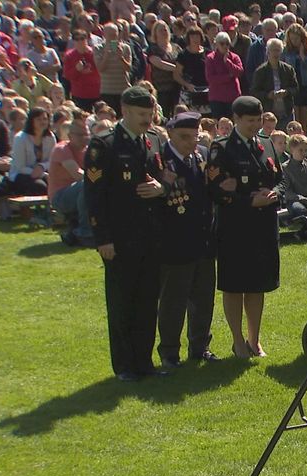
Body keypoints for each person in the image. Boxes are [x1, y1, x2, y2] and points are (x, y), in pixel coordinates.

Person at [84, 86, 167, 381]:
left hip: (149, 236)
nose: (148, 119)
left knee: (147, 302)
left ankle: (145, 362)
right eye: (142, 114)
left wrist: (161, 188)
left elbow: (160, 178)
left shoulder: (152, 141)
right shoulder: (103, 145)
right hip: (119, 238)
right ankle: (124, 366)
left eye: (150, 114)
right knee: (122, 303)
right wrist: (102, 238)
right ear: (126, 111)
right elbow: (95, 196)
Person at [207, 96, 282, 358]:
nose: (254, 125)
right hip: (235, 227)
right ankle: (237, 340)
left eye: (258, 120)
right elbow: (216, 191)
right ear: (236, 119)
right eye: (249, 121)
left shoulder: (266, 143)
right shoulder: (222, 148)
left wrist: (273, 193)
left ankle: (254, 338)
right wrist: (249, 200)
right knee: (234, 284)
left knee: (256, 284)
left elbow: (280, 180)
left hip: (263, 226)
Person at [156, 111, 218, 367]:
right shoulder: (161, 161)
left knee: (203, 298)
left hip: (203, 240)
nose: (191, 142)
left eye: (194, 136)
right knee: (173, 301)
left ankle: (199, 346)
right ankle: (170, 352)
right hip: (175, 242)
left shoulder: (202, 156)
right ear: (170, 134)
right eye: (184, 137)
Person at [51, 113, 92, 247]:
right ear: (70, 136)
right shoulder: (61, 149)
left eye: (86, 134)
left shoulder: (89, 151)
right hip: (60, 197)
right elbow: (77, 174)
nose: (85, 138)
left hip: (77, 193)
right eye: (80, 135)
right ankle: (84, 232)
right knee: (87, 184)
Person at [279, 133, 307, 224]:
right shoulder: (285, 168)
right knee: (300, 210)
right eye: (301, 150)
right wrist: (303, 199)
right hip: (295, 200)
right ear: (292, 149)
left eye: (306, 150)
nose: (304, 153)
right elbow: (288, 192)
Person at [95, 22, 133, 113]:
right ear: (104, 35)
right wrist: (106, 55)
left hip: (123, 90)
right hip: (107, 90)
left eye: (114, 35)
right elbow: (100, 69)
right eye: (110, 35)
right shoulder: (98, 48)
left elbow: (129, 69)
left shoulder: (125, 48)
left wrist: (121, 58)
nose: (113, 38)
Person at [205, 32, 244, 120]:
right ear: (216, 44)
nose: (225, 46)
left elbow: (239, 72)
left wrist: (228, 62)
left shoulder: (234, 57)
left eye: (227, 43)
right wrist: (229, 77)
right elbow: (211, 79)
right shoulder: (210, 58)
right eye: (222, 43)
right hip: (217, 98)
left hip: (233, 97)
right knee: (219, 124)